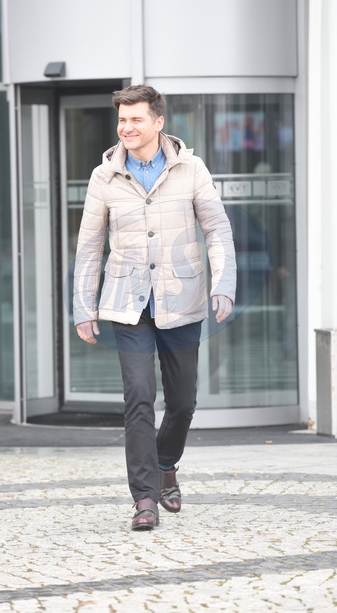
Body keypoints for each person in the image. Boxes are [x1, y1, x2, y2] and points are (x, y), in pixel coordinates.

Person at [73, 85, 236, 531]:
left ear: (158, 122)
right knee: (139, 397)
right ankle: (144, 499)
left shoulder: (191, 169)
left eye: (136, 119)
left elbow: (217, 230)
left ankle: (167, 465)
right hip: (127, 304)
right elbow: (89, 247)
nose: (126, 128)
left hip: (181, 300)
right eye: (122, 120)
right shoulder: (103, 177)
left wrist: (223, 283)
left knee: (182, 402)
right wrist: (84, 306)